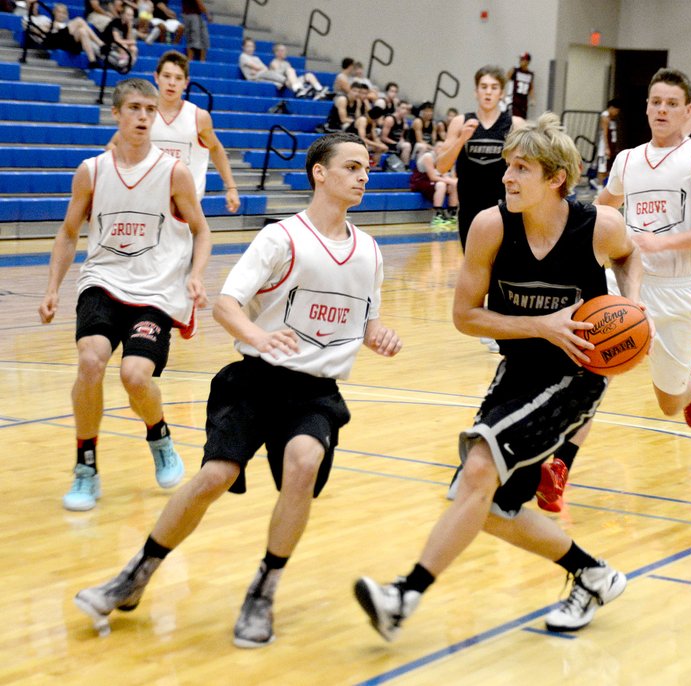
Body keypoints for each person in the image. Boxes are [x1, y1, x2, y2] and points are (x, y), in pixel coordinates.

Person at [73, 132, 403, 648]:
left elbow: (367, 319)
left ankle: (264, 588)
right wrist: (259, 336)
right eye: (353, 166)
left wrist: (377, 334)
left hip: (315, 391)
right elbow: (227, 304)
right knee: (214, 476)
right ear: (320, 172)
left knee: (302, 463)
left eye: (367, 168)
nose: (364, 176)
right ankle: (135, 573)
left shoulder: (369, 250)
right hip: (255, 380)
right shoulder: (281, 238)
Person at [355, 113, 645, 641]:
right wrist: (541, 324)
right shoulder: (491, 226)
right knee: (488, 507)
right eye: (508, 166)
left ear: (555, 178)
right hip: (519, 367)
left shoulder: (597, 225)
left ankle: (404, 596)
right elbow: (465, 316)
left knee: (481, 466)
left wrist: (631, 304)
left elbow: (630, 254)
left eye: (521, 168)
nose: (507, 177)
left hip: (577, 371)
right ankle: (593, 573)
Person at [543, 68, 691, 514]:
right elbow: (604, 206)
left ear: (690, 109)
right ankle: (559, 468)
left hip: (678, 291)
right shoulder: (628, 159)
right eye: (655, 102)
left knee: (671, 403)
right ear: (646, 106)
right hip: (624, 284)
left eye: (671, 103)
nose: (662, 110)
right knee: (590, 371)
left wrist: (661, 241)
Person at [38, 78, 212, 512]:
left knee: (135, 375)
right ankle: (86, 466)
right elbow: (67, 231)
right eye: (134, 108)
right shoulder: (92, 171)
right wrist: (52, 288)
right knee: (91, 360)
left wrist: (197, 275)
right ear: (116, 114)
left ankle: (159, 434)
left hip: (157, 290)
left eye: (150, 110)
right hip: (102, 280)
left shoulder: (174, 172)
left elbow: (202, 230)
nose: (143, 117)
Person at [109, 50, 240, 212]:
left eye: (178, 78)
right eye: (167, 76)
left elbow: (215, 148)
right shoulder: (144, 115)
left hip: (184, 210)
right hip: (145, 205)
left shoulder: (198, 117)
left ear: (186, 82)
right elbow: (112, 146)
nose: (172, 83)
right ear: (156, 77)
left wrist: (231, 188)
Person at [436, 65, 526, 251]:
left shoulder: (515, 124)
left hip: (505, 206)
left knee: (502, 268)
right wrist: (461, 139)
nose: (488, 92)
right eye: (483, 87)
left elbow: (527, 168)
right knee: (472, 266)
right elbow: (441, 167)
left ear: (501, 93)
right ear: (476, 91)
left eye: (494, 88)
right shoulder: (460, 122)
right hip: (469, 207)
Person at [410, 142, 458, 229]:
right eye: (439, 147)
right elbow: (432, 177)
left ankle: (452, 214)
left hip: (438, 180)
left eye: (444, 148)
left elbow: (452, 176)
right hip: (421, 180)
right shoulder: (428, 156)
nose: (442, 150)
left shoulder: (449, 158)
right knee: (441, 185)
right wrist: (449, 180)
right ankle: (437, 215)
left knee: (454, 186)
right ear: (434, 148)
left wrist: (454, 181)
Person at [592, 98, 621, 189]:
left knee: (609, 168)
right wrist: (606, 148)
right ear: (611, 108)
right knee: (602, 167)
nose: (617, 113)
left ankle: (597, 181)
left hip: (611, 144)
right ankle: (599, 188)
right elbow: (605, 133)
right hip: (604, 146)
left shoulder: (612, 119)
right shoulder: (605, 117)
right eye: (616, 111)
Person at [379, 99, 412, 168]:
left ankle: (403, 166)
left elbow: (401, 136)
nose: (405, 110)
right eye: (403, 108)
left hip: (396, 143)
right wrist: (396, 143)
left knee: (407, 145)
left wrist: (401, 141)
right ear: (397, 108)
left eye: (406, 109)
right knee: (407, 146)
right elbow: (383, 137)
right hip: (388, 143)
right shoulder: (390, 119)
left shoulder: (403, 120)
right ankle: (405, 167)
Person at [506, 51, 535, 119]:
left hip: (523, 102)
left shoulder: (530, 74)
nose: (521, 61)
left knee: (522, 120)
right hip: (514, 101)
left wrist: (532, 98)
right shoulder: (515, 71)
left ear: (528, 61)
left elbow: (531, 87)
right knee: (513, 119)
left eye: (523, 59)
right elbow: (505, 79)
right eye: (520, 59)